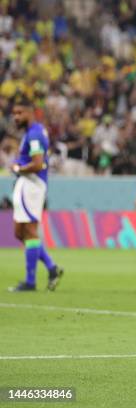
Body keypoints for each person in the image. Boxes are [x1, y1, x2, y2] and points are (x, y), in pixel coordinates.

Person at [9, 96, 63, 292]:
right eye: (14, 113)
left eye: (20, 113)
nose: (15, 117)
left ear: (31, 112)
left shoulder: (34, 134)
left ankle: (30, 281)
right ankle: (51, 267)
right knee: (19, 232)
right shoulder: (33, 132)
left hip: (31, 185)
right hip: (27, 185)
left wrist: (18, 168)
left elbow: (38, 163)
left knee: (29, 231)